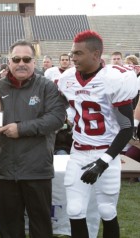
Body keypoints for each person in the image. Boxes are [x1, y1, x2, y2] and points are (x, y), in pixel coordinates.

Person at [57, 30, 138, 238]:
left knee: (107, 210)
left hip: (107, 153)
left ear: (95, 54)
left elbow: (127, 127)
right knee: (74, 210)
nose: (73, 58)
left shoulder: (114, 79)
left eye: (78, 53)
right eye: (72, 53)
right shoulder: (67, 78)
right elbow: (63, 107)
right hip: (79, 152)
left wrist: (103, 162)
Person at [0, 40, 66, 237]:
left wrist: (21, 129)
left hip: (37, 169)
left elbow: (56, 118)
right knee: (9, 227)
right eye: (16, 59)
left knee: (40, 226)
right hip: (6, 168)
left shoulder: (47, 86)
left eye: (26, 59)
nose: (21, 63)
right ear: (9, 62)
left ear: (35, 62)